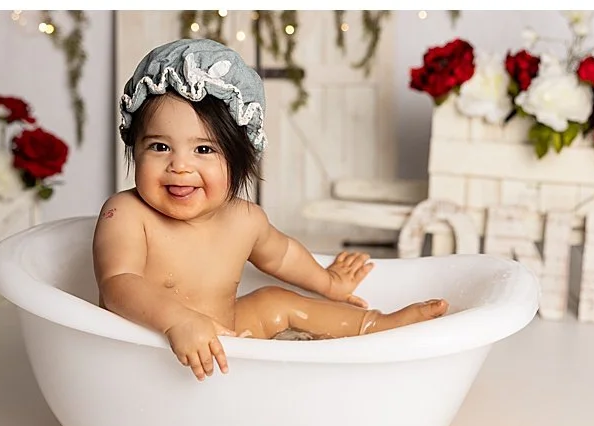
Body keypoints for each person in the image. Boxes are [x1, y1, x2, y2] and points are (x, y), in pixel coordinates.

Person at [96, 39, 447, 380]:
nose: (180, 166)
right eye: (160, 146)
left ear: (239, 158)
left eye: (203, 150)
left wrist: (329, 282)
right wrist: (177, 320)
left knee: (275, 301)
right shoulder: (126, 214)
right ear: (134, 149)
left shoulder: (244, 219)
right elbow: (118, 283)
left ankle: (374, 326)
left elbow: (282, 255)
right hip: (149, 353)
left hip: (228, 340)